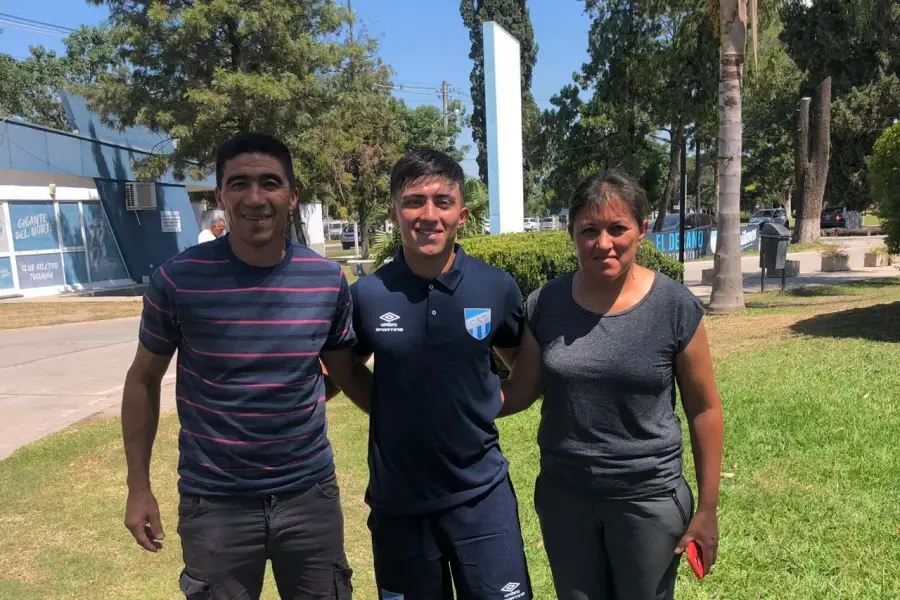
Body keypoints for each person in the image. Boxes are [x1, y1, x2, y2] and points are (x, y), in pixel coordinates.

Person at [121, 132, 372, 600]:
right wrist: (138, 487)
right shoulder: (177, 280)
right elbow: (142, 380)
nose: (255, 198)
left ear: (292, 197)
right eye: (239, 184)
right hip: (215, 502)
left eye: (270, 183)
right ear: (220, 195)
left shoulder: (325, 280)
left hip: (309, 497)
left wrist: (415, 414)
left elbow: (344, 372)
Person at [500, 169, 724, 600]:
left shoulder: (673, 306)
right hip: (565, 498)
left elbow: (704, 409)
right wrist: (455, 398)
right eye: (589, 230)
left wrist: (708, 509)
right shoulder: (546, 303)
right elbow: (521, 389)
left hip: (648, 497)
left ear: (642, 229)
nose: (603, 243)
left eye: (617, 228)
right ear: (572, 234)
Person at [344, 149, 532, 599]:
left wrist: (494, 403)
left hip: (482, 498)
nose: (428, 215)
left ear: (461, 215)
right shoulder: (368, 295)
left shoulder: (495, 286)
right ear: (394, 213)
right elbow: (345, 370)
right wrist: (390, 407)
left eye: (442, 201)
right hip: (399, 505)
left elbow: (521, 362)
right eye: (414, 201)